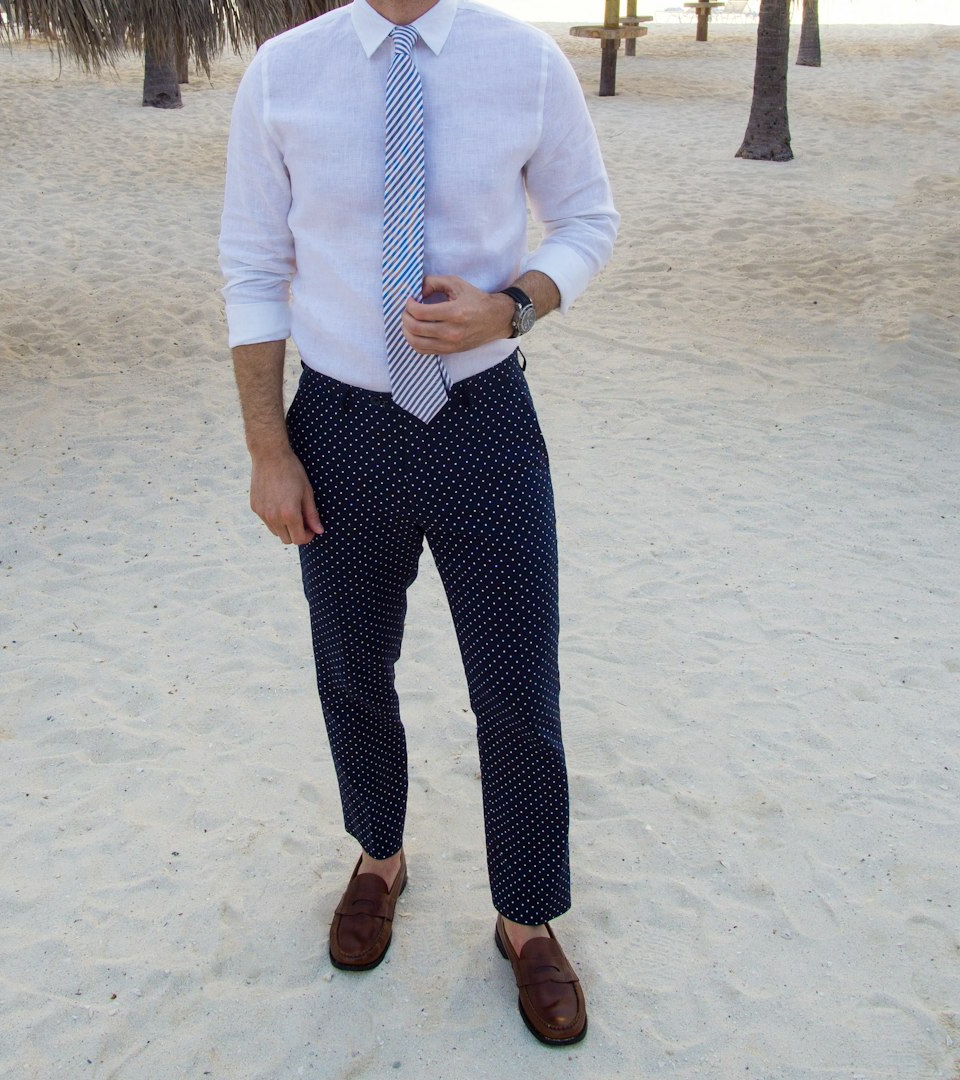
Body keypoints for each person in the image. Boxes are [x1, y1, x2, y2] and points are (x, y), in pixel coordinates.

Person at [219, 0, 618, 1047]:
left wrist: (514, 304)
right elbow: (254, 271)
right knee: (352, 666)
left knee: (519, 689)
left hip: (485, 422)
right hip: (338, 425)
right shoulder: (283, 72)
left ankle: (526, 920)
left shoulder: (524, 63)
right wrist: (270, 450)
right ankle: (380, 858)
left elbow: (588, 219)